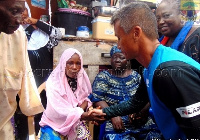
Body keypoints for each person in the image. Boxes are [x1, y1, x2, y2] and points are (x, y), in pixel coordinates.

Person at [88, 2, 200, 139]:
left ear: (136, 33)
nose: (118, 45)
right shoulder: (149, 68)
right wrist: (104, 113)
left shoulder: (168, 71)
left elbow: (196, 129)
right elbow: (136, 102)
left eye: (119, 37)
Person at [89, 45, 162, 139]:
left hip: (137, 119)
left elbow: (146, 96)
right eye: (114, 57)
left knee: (155, 135)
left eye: (121, 57)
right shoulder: (103, 77)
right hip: (117, 120)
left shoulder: (135, 76)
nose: (117, 60)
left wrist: (142, 112)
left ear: (127, 60)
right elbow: (97, 99)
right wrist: (112, 115)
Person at [14, 2, 62, 139]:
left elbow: (58, 34)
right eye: (17, 11)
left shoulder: (42, 36)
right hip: (24, 87)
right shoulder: (14, 36)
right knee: (24, 117)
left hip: (44, 87)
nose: (22, 14)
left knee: (42, 118)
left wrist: (36, 22)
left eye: (24, 10)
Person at [0, 0, 44, 139]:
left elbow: (26, 72)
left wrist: (30, 107)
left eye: (22, 13)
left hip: (4, 119)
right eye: (14, 12)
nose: (19, 20)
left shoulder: (19, 36)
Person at [39, 48, 104, 140]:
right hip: (54, 123)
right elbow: (58, 110)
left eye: (78, 63)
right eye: (70, 63)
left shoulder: (81, 80)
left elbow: (86, 99)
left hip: (76, 121)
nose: (74, 67)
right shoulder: (54, 82)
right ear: (63, 64)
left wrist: (82, 112)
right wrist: (83, 114)